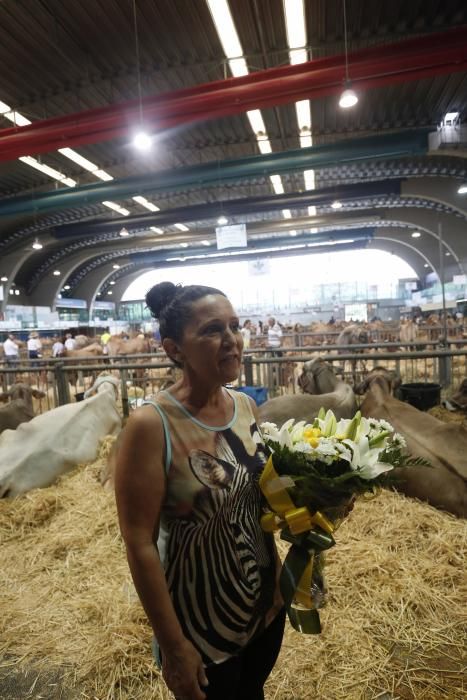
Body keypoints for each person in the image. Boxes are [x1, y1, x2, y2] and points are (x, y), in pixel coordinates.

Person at [115, 282, 284, 700]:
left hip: (266, 607)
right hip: (203, 625)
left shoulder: (244, 405)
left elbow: (260, 496)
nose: (231, 340)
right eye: (212, 330)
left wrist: (320, 503)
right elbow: (139, 542)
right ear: (175, 349)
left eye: (234, 325)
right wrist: (174, 647)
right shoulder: (151, 426)